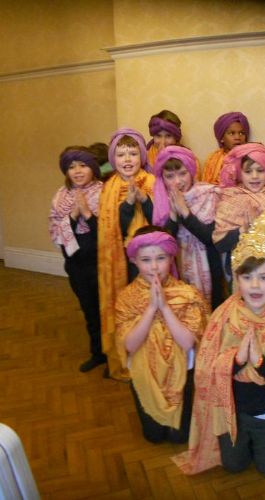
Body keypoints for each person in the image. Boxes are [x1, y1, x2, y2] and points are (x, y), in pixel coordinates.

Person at [173, 212, 265, 476]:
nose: (255, 285)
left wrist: (262, 362)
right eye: (247, 277)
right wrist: (236, 360)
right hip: (233, 408)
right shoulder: (224, 315)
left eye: (264, 277)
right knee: (233, 466)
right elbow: (206, 369)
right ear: (236, 281)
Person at [115, 228, 209, 443]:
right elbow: (129, 345)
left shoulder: (188, 294)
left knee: (180, 437)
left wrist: (165, 308)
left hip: (181, 374)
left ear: (171, 258)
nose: (154, 266)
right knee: (154, 436)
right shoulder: (127, 297)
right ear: (135, 261)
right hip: (144, 373)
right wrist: (150, 309)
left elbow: (187, 342)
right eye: (146, 260)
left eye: (161, 258)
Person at [98, 128, 155, 381]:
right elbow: (113, 228)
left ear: (141, 156)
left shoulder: (152, 182)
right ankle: (127, 355)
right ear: (113, 158)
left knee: (147, 307)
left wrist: (144, 200)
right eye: (121, 154)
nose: (128, 159)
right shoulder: (108, 187)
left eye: (133, 153)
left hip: (149, 258)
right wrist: (129, 205)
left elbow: (160, 221)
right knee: (126, 308)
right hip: (120, 260)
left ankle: (150, 357)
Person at [49, 147, 106, 372]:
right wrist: (73, 214)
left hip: (100, 262)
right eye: (71, 167)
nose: (78, 171)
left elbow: (108, 233)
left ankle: (115, 356)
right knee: (90, 312)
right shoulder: (60, 196)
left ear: (92, 168)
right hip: (76, 264)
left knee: (106, 311)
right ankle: (98, 353)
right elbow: (56, 232)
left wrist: (88, 214)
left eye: (82, 165)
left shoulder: (105, 193)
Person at [152, 145, 224, 309]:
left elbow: (210, 237)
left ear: (191, 171)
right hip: (180, 267)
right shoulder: (163, 201)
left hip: (211, 267)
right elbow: (165, 243)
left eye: (183, 173)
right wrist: (173, 213)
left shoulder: (209, 194)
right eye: (170, 176)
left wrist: (184, 211)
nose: (178, 181)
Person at [213, 143, 265, 286]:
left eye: (260, 170)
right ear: (239, 173)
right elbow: (220, 244)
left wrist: (263, 232)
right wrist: (244, 230)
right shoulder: (231, 198)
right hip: (242, 275)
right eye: (248, 171)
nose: (254, 176)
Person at [201, 112, 250, 184]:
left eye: (241, 133)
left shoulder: (252, 157)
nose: (237, 137)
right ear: (222, 138)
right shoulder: (213, 160)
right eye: (231, 133)